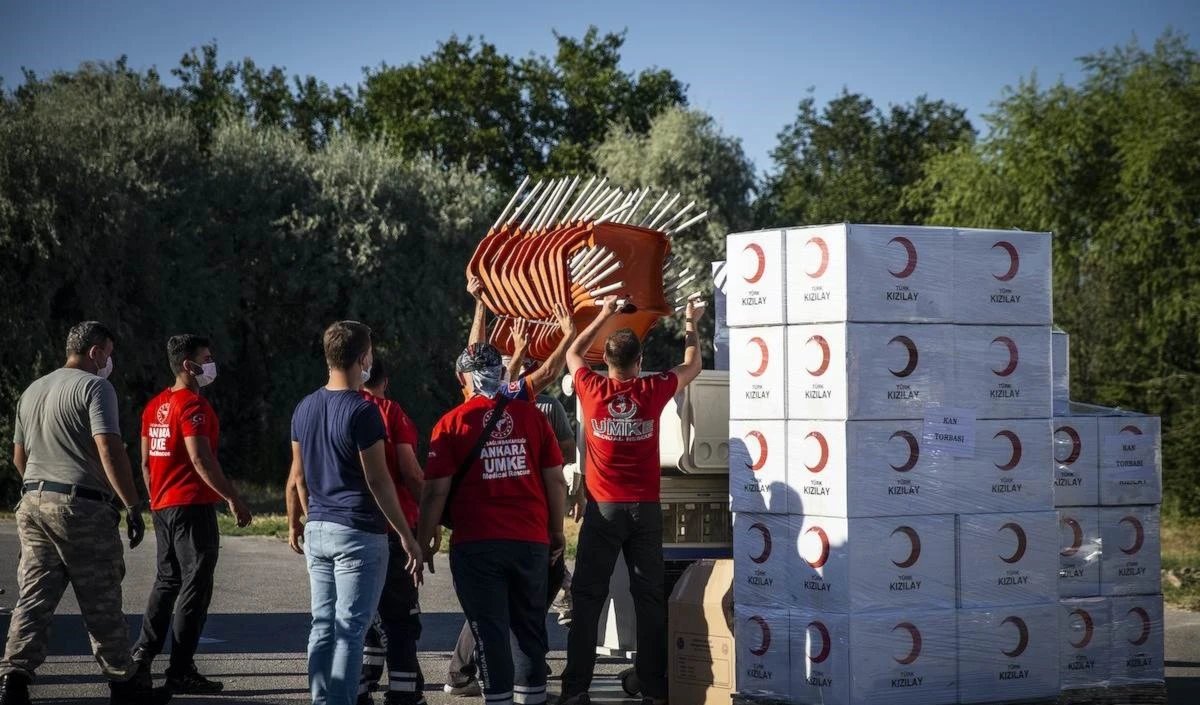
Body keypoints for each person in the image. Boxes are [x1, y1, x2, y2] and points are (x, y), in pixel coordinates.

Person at [1, 321, 170, 705]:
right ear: (95, 351)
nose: (109, 362)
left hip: (32, 502)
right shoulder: (95, 387)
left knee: (34, 595)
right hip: (80, 506)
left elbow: (18, 457)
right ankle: (124, 685)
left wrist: (41, 486)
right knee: (101, 596)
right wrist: (131, 504)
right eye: (108, 353)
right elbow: (109, 448)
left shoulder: (32, 390)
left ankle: (14, 680)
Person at [557, 296, 706, 705]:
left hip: (603, 512)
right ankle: (655, 690)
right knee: (650, 599)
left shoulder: (590, 388)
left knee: (588, 599)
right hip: (645, 511)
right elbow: (692, 365)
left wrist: (604, 313)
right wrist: (691, 323)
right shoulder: (651, 390)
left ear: (606, 360)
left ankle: (575, 691)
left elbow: (571, 352)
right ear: (640, 362)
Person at [417, 343, 567, 705]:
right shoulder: (534, 417)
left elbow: (436, 493)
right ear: (501, 374)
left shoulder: (451, 424)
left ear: (461, 378)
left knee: (490, 632)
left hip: (476, 545)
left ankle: (498, 699)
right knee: (528, 629)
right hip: (530, 541)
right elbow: (556, 480)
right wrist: (557, 531)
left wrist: (422, 542)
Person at [286, 321, 423, 705]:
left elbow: (299, 476)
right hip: (358, 531)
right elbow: (379, 482)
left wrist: (303, 519)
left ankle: (321, 699)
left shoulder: (304, 407)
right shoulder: (364, 412)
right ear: (364, 358)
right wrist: (407, 537)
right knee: (350, 630)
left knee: (323, 628)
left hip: (319, 527)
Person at [132, 335, 253, 694]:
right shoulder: (192, 406)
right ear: (189, 365)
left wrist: (155, 498)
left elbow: (144, 462)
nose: (212, 364)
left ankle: (143, 652)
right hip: (192, 505)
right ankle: (180, 668)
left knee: (167, 580)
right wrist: (232, 497)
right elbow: (201, 459)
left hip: (164, 504)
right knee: (195, 584)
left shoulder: (154, 406)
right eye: (207, 358)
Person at [355, 358, 427, 705]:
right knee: (401, 618)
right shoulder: (390, 413)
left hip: (350, 526)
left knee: (363, 617)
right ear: (384, 381)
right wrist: (428, 521)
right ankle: (405, 693)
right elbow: (411, 472)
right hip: (394, 525)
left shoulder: (335, 406)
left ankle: (361, 685)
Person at [466, 278, 575, 402]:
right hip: (521, 399)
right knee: (551, 404)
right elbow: (548, 373)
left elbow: (475, 353)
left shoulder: (478, 390)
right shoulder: (512, 391)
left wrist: (480, 303)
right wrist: (569, 335)